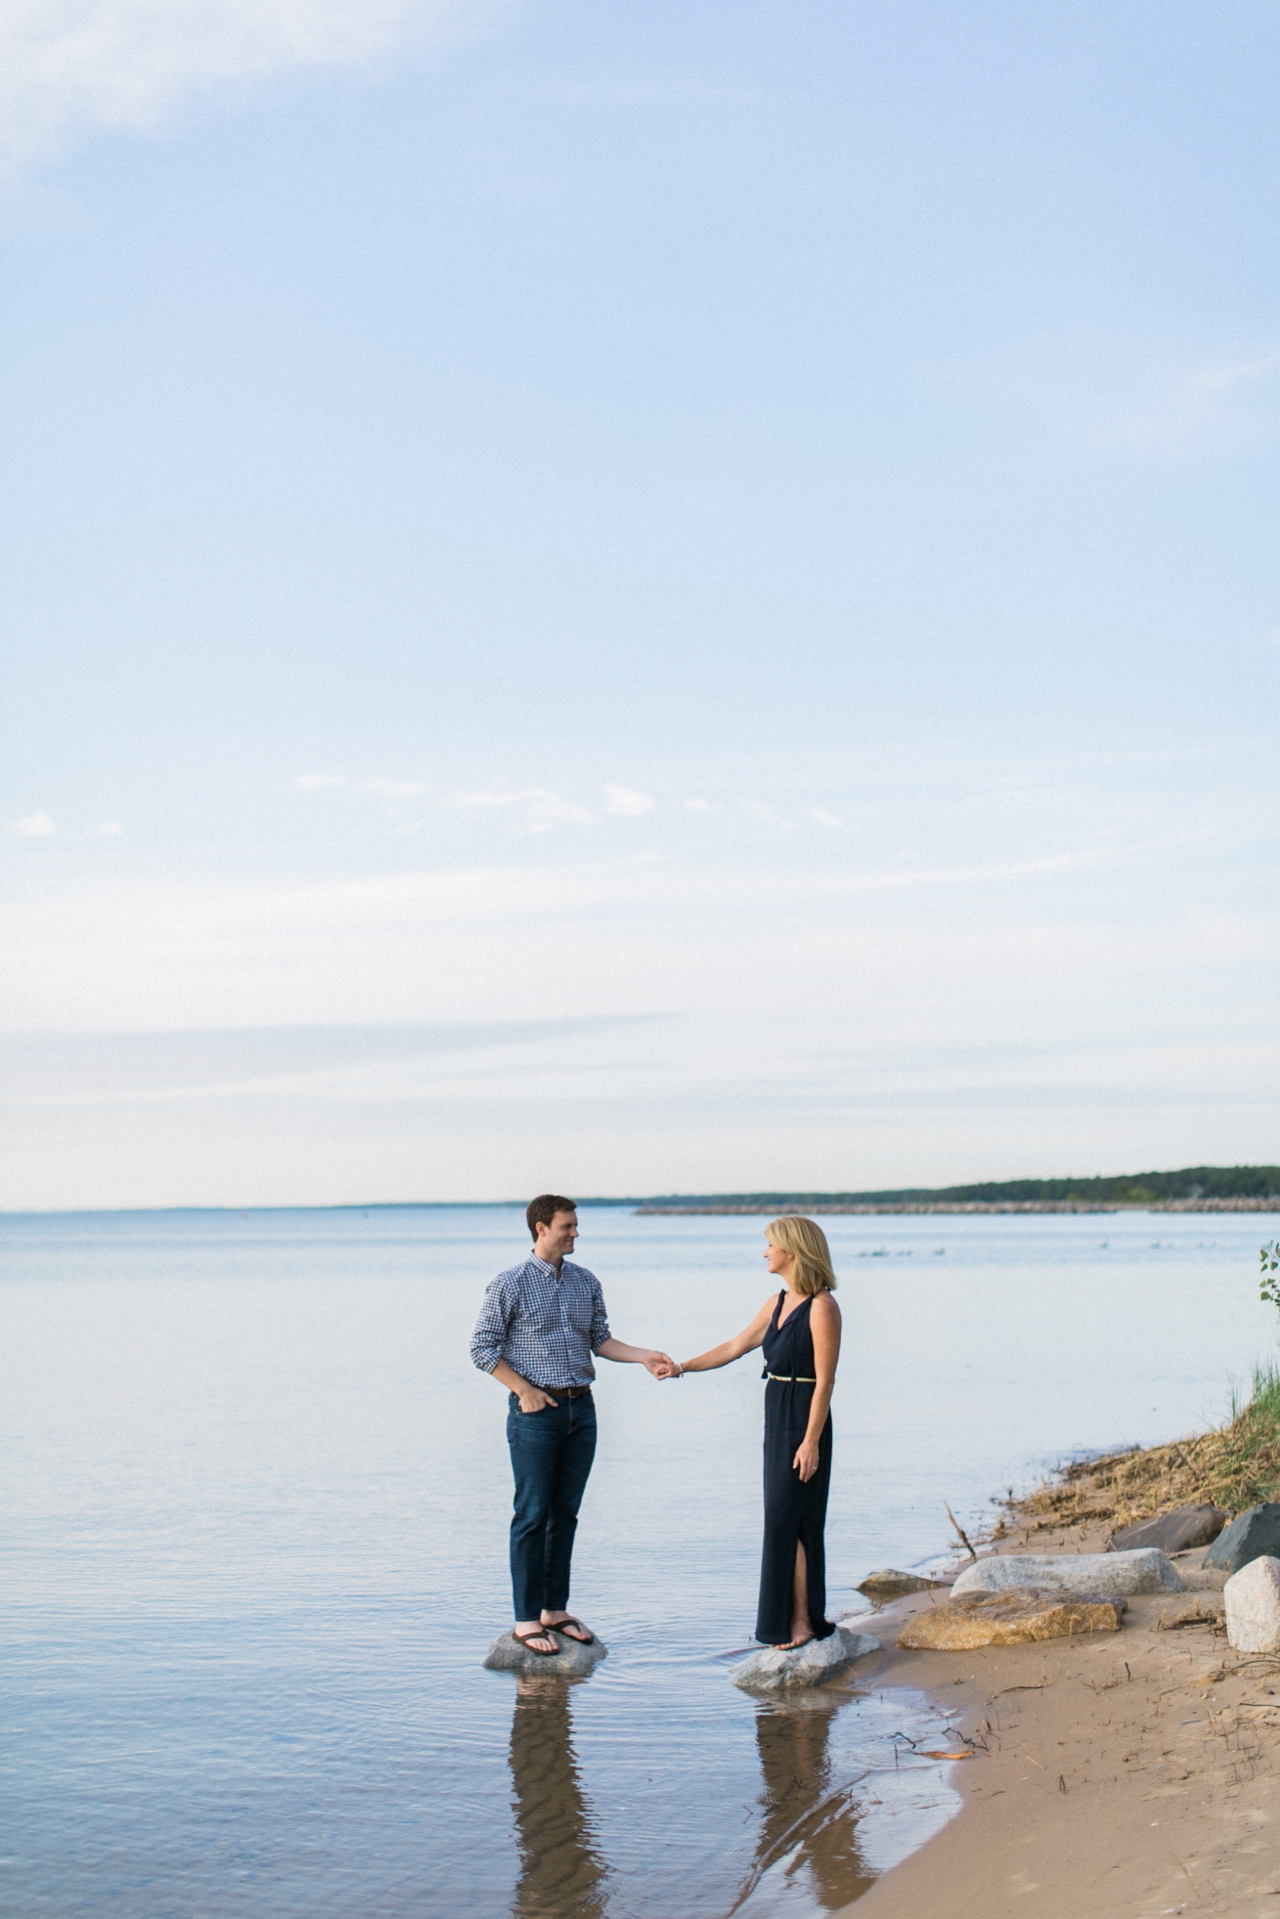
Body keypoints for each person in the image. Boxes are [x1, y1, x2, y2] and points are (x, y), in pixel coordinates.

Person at [471, 1194, 674, 1656]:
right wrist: (524, 1391)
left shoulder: (585, 1281)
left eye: (576, 1225)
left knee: (565, 1514)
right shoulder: (510, 1284)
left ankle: (554, 1611)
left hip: (582, 1410)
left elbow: (599, 1339)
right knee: (531, 1514)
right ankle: (526, 1620)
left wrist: (643, 1355)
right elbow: (482, 1349)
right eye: (568, 1226)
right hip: (536, 1415)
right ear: (541, 1228)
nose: (576, 1232)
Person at [658, 1215, 841, 1649]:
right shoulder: (776, 1303)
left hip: (805, 1414)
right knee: (779, 1518)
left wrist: (811, 1440)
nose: (764, 1252)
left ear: (792, 1251)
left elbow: (827, 1380)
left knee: (793, 1520)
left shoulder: (822, 1306)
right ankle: (792, 1618)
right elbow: (733, 1347)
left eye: (770, 1245)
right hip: (776, 1412)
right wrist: (681, 1367)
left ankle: (801, 1621)